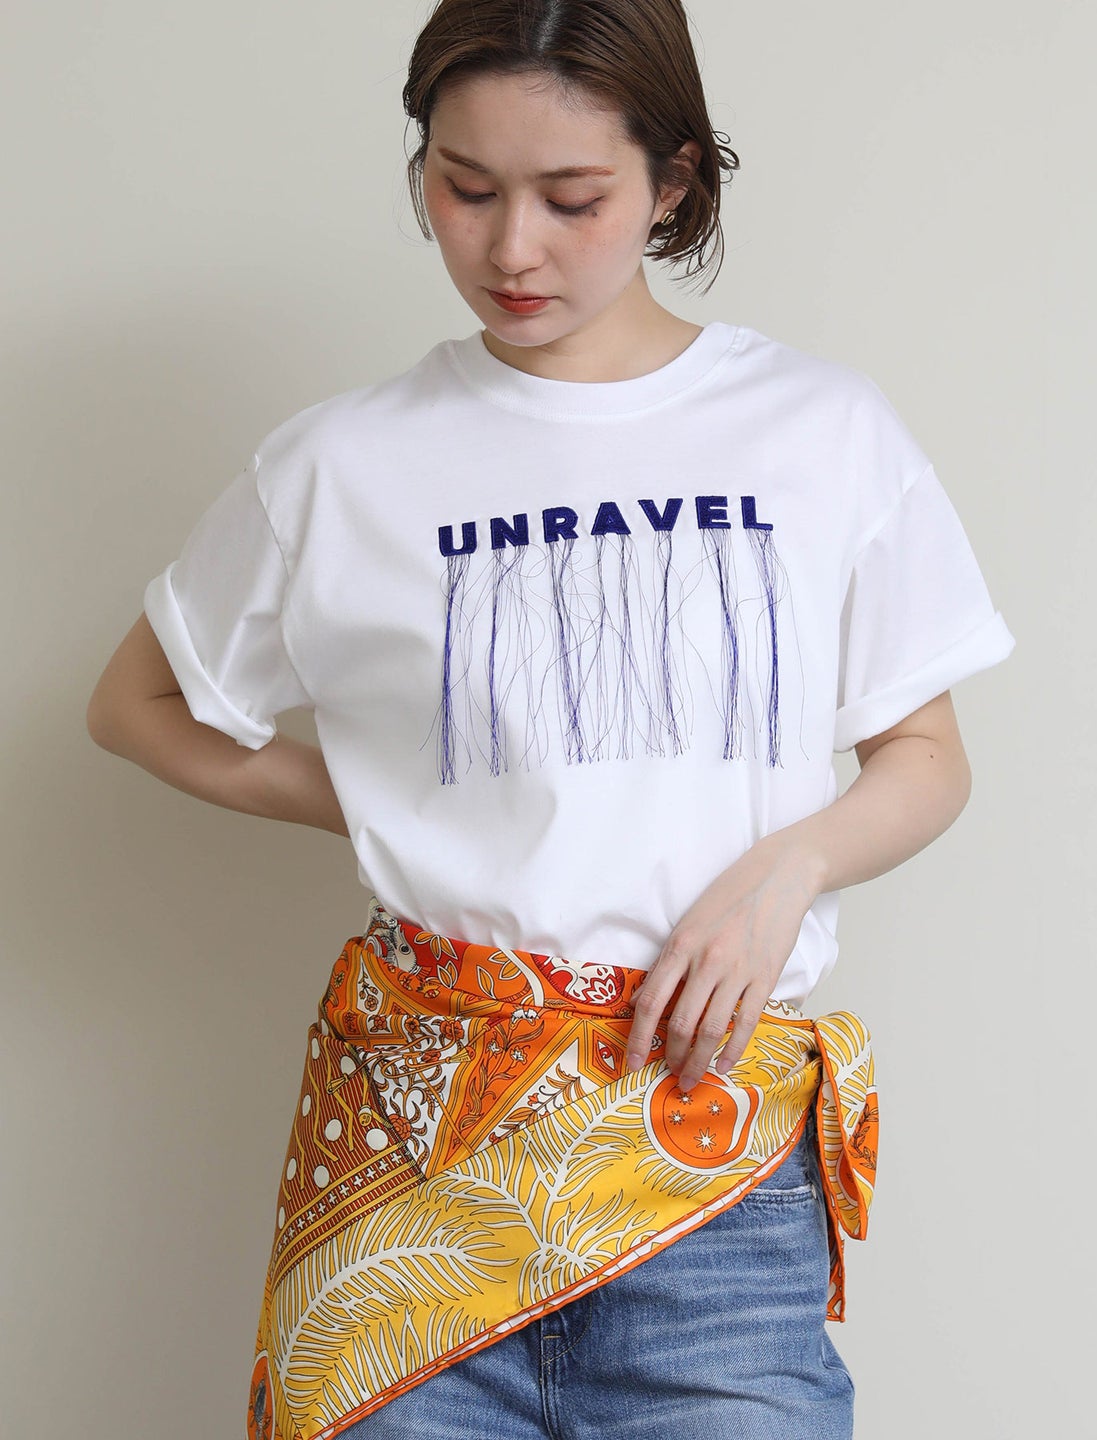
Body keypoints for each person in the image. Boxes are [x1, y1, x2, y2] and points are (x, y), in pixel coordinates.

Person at [86, 2, 1015, 1437]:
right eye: (465, 188)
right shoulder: (343, 464)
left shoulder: (821, 431)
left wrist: (792, 865)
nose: (511, 249)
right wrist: (383, 796)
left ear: (674, 181)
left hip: (708, 1178)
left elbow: (926, 758)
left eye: (571, 199)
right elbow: (136, 705)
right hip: (412, 1166)